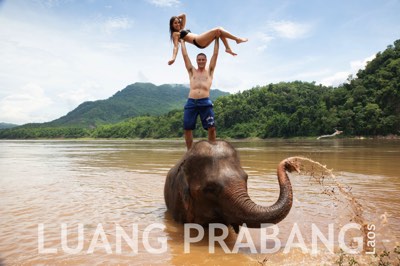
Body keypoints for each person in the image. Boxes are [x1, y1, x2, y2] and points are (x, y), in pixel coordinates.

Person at [180, 37, 219, 150]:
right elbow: (185, 56)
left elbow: (215, 54)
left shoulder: (210, 71)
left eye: (203, 59)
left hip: (205, 101)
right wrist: (183, 42)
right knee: (187, 128)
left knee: (211, 127)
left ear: (205, 61)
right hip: (191, 102)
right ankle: (189, 152)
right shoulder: (192, 71)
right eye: (199, 60)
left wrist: (217, 39)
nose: (201, 61)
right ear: (197, 61)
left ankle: (212, 151)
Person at [168, 13, 247, 65]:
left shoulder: (181, 28)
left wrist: (175, 18)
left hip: (201, 43)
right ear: (171, 25)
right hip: (197, 40)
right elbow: (175, 46)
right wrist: (173, 58)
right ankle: (237, 39)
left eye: (178, 22)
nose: (178, 24)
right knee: (218, 28)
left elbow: (184, 15)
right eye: (175, 23)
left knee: (219, 32)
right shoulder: (175, 34)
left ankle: (228, 48)